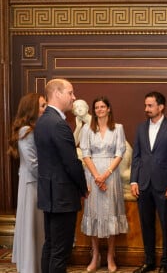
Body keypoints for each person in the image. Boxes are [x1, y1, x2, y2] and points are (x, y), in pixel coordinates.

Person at [34, 78, 89, 273]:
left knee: (50, 246)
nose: (73, 97)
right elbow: (72, 163)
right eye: (70, 93)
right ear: (57, 93)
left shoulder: (42, 121)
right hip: (62, 196)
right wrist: (83, 188)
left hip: (49, 194)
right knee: (60, 251)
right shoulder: (58, 124)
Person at [130, 91, 167, 273]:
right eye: (145, 105)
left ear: (161, 107)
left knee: (166, 225)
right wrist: (133, 181)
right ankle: (149, 261)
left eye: (150, 105)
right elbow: (136, 157)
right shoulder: (140, 128)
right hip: (143, 185)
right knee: (146, 225)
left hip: (164, 186)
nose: (147, 109)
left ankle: (165, 264)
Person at [80, 96, 128, 273]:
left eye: (102, 106)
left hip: (111, 174)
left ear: (109, 109)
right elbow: (85, 153)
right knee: (94, 214)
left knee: (110, 214)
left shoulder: (118, 128)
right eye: (96, 107)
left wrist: (105, 174)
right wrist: (96, 177)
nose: (99, 109)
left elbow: (120, 153)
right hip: (92, 175)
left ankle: (110, 256)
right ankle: (95, 256)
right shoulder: (87, 128)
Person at [8, 93, 47, 273]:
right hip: (32, 184)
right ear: (31, 108)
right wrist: (49, 180)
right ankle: (31, 267)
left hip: (34, 182)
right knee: (32, 225)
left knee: (37, 227)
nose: (44, 109)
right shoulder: (26, 131)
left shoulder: (35, 129)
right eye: (41, 105)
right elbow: (33, 164)